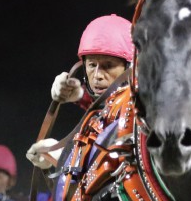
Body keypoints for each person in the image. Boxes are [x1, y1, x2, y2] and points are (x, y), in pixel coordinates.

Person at [27, 14, 134, 171]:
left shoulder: (145, 110)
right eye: (92, 65)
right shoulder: (108, 107)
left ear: (130, 67)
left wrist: (63, 155)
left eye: (109, 65)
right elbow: (108, 110)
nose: (97, 75)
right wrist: (79, 95)